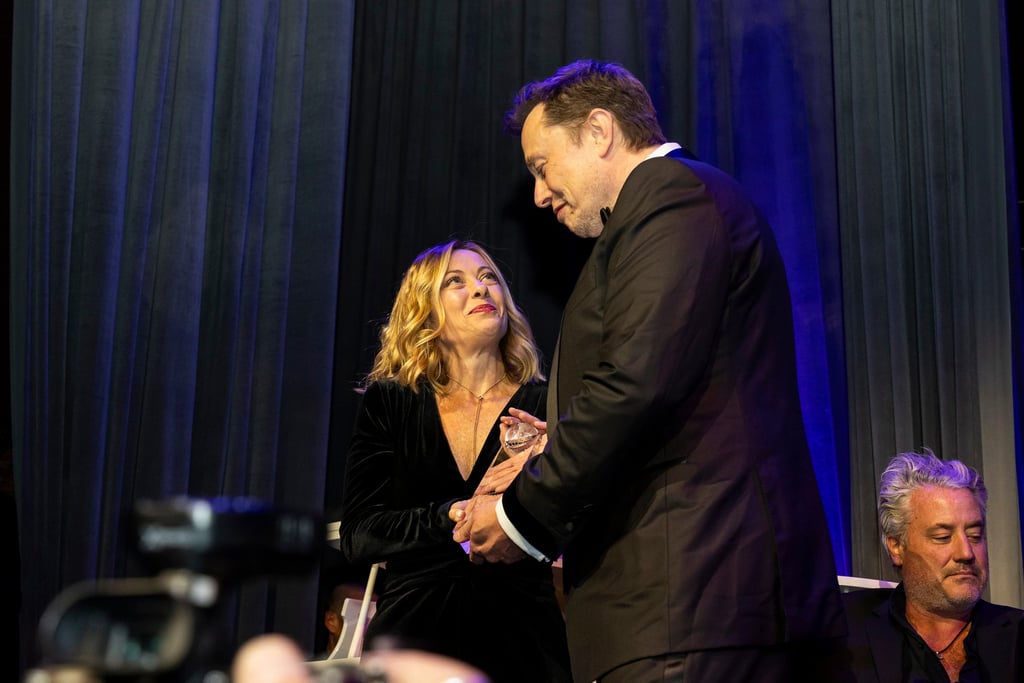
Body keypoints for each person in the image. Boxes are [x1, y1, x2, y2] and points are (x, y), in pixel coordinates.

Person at [451, 59, 846, 682]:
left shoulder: (670, 196)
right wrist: (549, 451)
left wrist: (517, 515)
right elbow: (667, 388)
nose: (539, 194)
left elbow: (635, 386)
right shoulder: (661, 211)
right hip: (681, 611)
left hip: (692, 606)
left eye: (542, 166)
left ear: (599, 130)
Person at [337, 240, 571, 683]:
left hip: (526, 641)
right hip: (413, 640)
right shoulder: (392, 402)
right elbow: (360, 535)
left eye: (488, 278)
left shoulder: (548, 404)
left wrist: (553, 462)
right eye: (455, 281)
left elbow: (575, 529)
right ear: (424, 310)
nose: (480, 289)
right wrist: (453, 515)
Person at [842, 451, 1024, 682]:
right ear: (896, 546)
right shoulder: (845, 630)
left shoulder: (1017, 635)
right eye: (942, 537)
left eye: (975, 536)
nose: (966, 553)